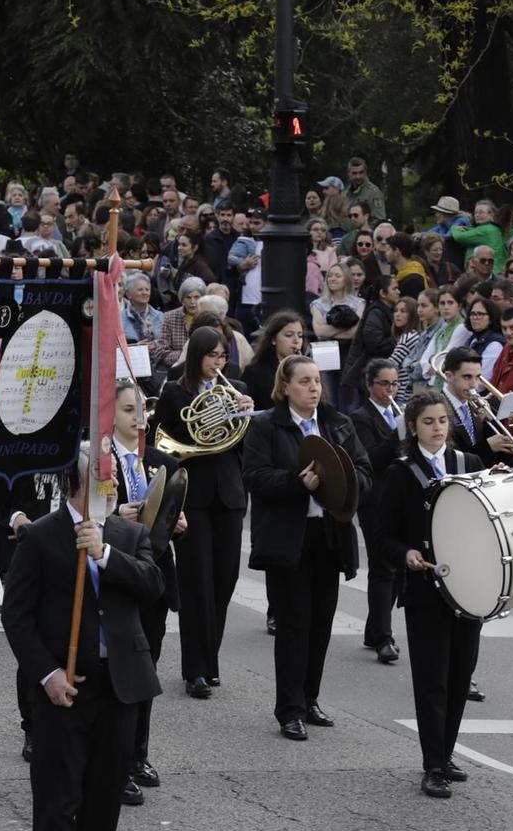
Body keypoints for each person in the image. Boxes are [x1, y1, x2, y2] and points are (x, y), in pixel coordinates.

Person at [2, 457, 165, 831]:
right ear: (74, 484)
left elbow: (153, 585)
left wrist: (106, 556)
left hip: (120, 686)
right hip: (64, 690)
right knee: (59, 797)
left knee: (104, 795)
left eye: (113, 476)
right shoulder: (42, 537)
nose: (112, 485)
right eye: (102, 477)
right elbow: (18, 615)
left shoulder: (127, 535)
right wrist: (47, 674)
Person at [242, 354, 373, 740]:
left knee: (320, 623)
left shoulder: (338, 424)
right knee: (294, 625)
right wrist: (298, 483)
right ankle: (290, 709)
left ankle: (311, 699)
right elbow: (255, 477)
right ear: (285, 388)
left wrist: (345, 484)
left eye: (317, 381)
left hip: (329, 535)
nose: (314, 388)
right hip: (288, 539)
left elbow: (364, 471)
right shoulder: (266, 425)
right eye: (304, 381)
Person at [380, 392, 485, 798]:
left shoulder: (469, 465)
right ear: (413, 427)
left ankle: (447, 751)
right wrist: (404, 552)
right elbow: (383, 534)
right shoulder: (401, 473)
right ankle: (433, 764)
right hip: (426, 589)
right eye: (428, 421)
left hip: (470, 587)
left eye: (442, 420)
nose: (438, 427)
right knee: (432, 678)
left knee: (460, 674)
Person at [153, 325, 252, 698]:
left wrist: (246, 417)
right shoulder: (175, 391)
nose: (219, 362)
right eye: (212, 355)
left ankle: (209, 660)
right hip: (191, 495)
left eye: (223, 356)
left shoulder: (238, 392)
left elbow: (244, 448)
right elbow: (159, 444)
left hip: (228, 495)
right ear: (197, 356)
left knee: (223, 582)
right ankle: (195, 668)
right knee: (196, 583)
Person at [104, 380, 183, 804]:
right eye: (129, 411)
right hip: (116, 572)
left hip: (153, 573)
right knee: (121, 670)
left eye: (142, 411)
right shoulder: (100, 462)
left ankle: (138, 754)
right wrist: (118, 513)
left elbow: (167, 514)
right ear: (111, 415)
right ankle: (115, 763)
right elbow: (87, 513)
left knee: (147, 668)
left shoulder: (159, 461)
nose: (139, 419)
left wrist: (174, 522)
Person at [346, 360, 407, 662]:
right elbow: (369, 458)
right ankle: (384, 637)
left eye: (394, 384)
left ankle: (374, 630)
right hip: (375, 501)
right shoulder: (359, 418)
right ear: (370, 385)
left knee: (397, 569)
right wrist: (397, 435)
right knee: (383, 568)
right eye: (384, 384)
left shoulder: (400, 413)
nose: (390, 390)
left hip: (401, 499)